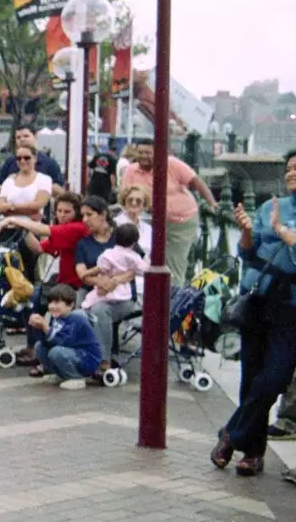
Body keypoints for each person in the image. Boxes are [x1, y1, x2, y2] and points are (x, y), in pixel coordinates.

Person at [212, 149, 296, 477]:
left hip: (294, 306)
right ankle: (252, 453)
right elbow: (248, 252)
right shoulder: (271, 206)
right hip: (256, 300)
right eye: (288, 168)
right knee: (251, 376)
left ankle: (231, 434)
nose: (290, 173)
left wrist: (286, 234)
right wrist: (244, 230)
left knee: (274, 379)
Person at [122, 137, 219, 284]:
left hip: (181, 221)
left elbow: (196, 181)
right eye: (140, 152)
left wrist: (212, 203)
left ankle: (173, 300)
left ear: (158, 153)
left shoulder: (171, 164)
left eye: (148, 153)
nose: (143, 156)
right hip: (152, 222)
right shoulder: (131, 170)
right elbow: (125, 195)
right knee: (147, 259)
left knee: (173, 264)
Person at [73, 197, 141, 367]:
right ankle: (79, 355)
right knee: (78, 313)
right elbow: (82, 274)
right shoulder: (83, 243)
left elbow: (136, 267)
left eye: (89, 215)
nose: (85, 220)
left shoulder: (121, 236)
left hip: (122, 295)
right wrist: (101, 282)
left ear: (103, 215)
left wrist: (115, 280)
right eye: (83, 215)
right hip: (91, 291)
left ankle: (103, 360)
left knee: (99, 310)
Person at [29, 284, 102, 390]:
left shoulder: (77, 319)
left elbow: (65, 341)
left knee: (56, 351)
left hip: (86, 358)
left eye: (57, 302)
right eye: (50, 302)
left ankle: (76, 378)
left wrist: (45, 327)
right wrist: (37, 327)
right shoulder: (57, 318)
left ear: (70, 305)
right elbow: (47, 341)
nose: (52, 306)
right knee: (39, 346)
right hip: (71, 353)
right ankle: (60, 375)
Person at [0, 126, 65, 188]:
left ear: (35, 136)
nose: (22, 139)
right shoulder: (9, 162)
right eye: (18, 137)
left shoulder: (50, 163)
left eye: (26, 136)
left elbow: (60, 190)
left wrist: (41, 184)